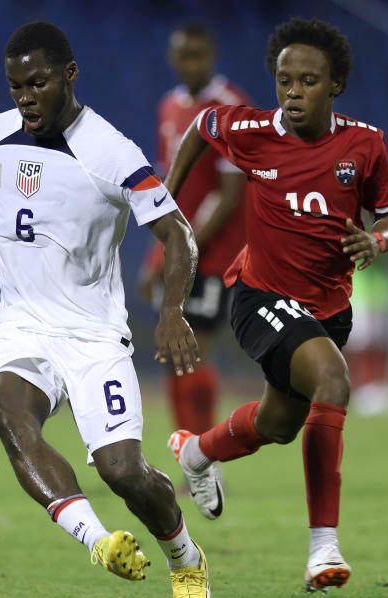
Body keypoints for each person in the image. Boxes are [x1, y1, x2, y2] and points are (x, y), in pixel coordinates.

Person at [0, 22, 212, 598]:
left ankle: (186, 559)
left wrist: (172, 312)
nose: (25, 97)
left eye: (37, 83)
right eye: (15, 87)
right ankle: (99, 543)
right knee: (9, 412)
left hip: (95, 337)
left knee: (124, 473)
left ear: (69, 74)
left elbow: (178, 235)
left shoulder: (111, 153)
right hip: (21, 328)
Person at [163, 17, 388, 593]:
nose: (294, 93)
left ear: (335, 85)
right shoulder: (251, 130)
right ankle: (324, 549)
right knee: (334, 382)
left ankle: (196, 452)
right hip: (260, 296)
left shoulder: (364, 144)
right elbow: (201, 126)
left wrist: (378, 239)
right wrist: (166, 199)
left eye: (308, 82)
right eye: (285, 80)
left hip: (329, 309)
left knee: (277, 424)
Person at [138, 23, 249, 442]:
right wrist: (157, 258)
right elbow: (171, 192)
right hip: (179, 251)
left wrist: (182, 250)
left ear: (212, 56)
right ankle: (189, 452)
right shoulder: (169, 107)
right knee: (173, 353)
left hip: (216, 254)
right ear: (173, 58)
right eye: (184, 55)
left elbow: (229, 194)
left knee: (192, 349)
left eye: (199, 55)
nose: (191, 63)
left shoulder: (230, 107)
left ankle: (205, 454)